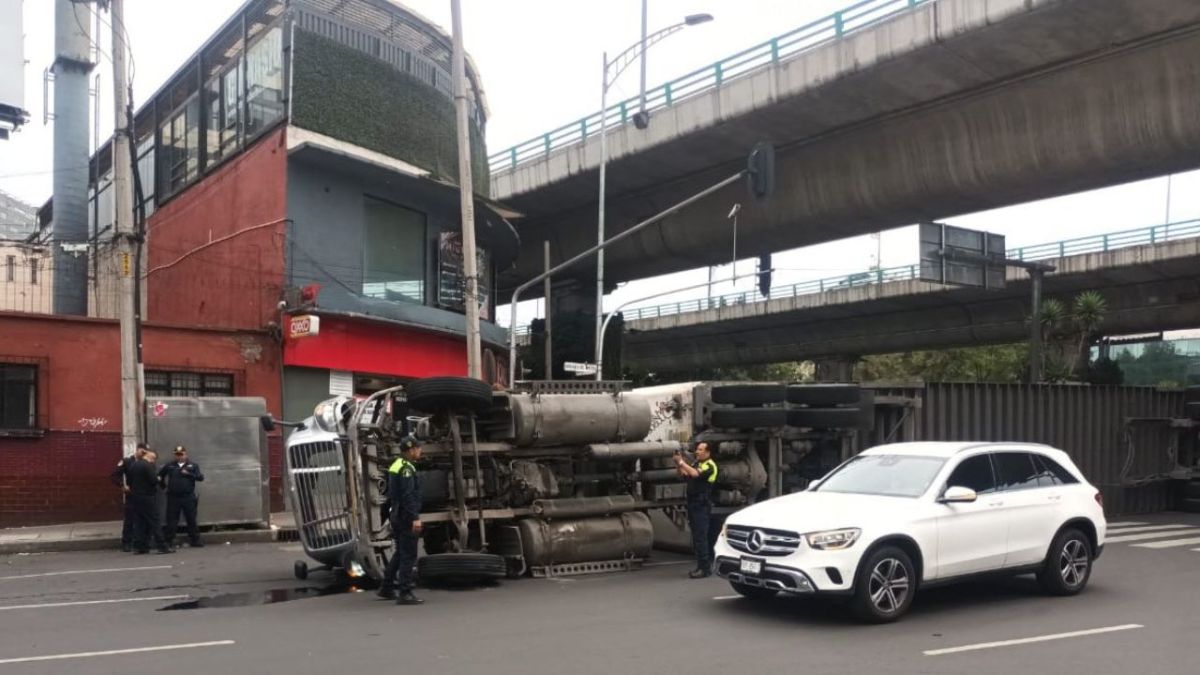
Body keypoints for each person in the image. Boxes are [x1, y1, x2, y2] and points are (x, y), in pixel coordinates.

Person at [377, 436, 424, 605]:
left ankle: (386, 587)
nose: (420, 451)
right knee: (408, 555)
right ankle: (405, 592)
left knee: (400, 553)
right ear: (411, 450)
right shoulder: (406, 468)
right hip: (405, 516)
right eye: (418, 448)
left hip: (397, 514)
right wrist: (415, 518)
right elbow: (407, 495)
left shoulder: (396, 464)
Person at [675, 441, 718, 578]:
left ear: (708, 452)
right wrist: (678, 463)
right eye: (697, 450)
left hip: (701, 504)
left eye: (700, 450)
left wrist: (682, 462)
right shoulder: (696, 464)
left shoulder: (710, 466)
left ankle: (705, 568)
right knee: (696, 537)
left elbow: (695, 474)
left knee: (701, 537)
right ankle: (700, 565)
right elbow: (685, 475)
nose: (697, 452)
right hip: (693, 504)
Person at [158, 445, 205, 548]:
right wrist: (163, 487)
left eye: (181, 454)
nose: (179, 456)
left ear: (185, 454)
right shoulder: (170, 465)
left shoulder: (193, 465)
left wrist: (188, 474)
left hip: (188, 496)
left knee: (191, 519)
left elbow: (200, 477)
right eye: (177, 455)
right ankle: (168, 541)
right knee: (171, 520)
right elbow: (159, 476)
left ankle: (195, 540)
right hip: (173, 497)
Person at [129, 450, 173, 555]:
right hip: (147, 497)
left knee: (140, 522)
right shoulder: (147, 466)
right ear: (151, 458)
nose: (154, 462)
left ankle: (140, 547)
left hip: (136, 497)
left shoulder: (134, 465)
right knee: (154, 521)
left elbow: (129, 481)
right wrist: (158, 478)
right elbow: (153, 481)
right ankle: (162, 546)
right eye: (154, 460)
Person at [110, 443, 148, 552]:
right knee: (129, 519)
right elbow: (114, 476)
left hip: (143, 494)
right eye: (143, 452)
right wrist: (122, 485)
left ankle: (141, 541)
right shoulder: (127, 461)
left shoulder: (145, 463)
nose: (144, 454)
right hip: (131, 494)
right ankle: (126, 542)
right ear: (138, 450)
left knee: (143, 519)